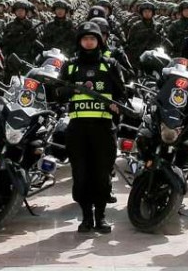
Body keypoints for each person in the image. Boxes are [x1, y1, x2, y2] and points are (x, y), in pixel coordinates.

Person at [56, 21, 126, 233]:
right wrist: (73, 91)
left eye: (93, 39)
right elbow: (58, 93)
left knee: (102, 175)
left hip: (103, 128)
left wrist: (117, 105)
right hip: (78, 129)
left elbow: (122, 93)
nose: (89, 42)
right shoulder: (70, 66)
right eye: (85, 39)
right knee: (81, 175)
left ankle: (101, 217)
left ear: (99, 41)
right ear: (79, 41)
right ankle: (86, 217)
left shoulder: (110, 64)